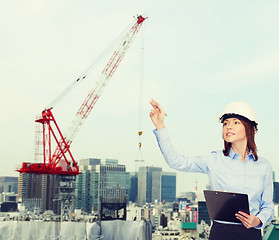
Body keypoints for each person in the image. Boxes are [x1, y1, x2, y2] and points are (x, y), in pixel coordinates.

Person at [149, 99, 274, 240]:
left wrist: (257, 221)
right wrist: (160, 126)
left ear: (249, 127)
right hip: (221, 232)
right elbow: (176, 161)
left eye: (235, 122)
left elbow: (268, 205)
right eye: (225, 123)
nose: (228, 127)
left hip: (251, 233)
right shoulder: (214, 160)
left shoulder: (264, 166)